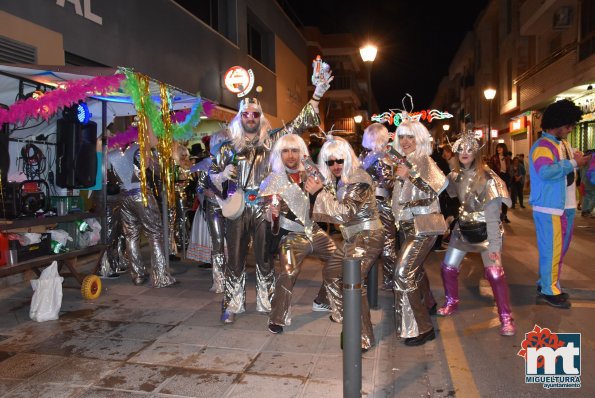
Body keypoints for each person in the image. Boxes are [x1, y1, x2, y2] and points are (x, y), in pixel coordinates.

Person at [210, 65, 333, 324]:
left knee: (265, 257)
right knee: (234, 257)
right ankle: (232, 304)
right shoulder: (227, 146)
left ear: (260, 117)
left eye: (255, 114)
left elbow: (298, 124)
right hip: (237, 204)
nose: (251, 118)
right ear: (240, 117)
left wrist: (317, 94)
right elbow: (209, 177)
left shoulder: (272, 141)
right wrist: (222, 176)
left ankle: (267, 301)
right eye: (246, 114)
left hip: (265, 204)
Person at [305, 136, 383, 352]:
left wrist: (320, 192)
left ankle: (363, 338)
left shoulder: (359, 179)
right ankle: (344, 316)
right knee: (330, 273)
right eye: (330, 162)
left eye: (339, 160)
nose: (335, 166)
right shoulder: (341, 179)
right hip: (352, 237)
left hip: (367, 236)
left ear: (348, 157)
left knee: (354, 285)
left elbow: (344, 213)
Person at [436, 130, 516, 336]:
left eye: (470, 149)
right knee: (447, 267)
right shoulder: (454, 175)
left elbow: (493, 217)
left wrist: (495, 248)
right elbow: (449, 193)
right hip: (463, 229)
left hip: (486, 232)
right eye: (460, 149)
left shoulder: (488, 178)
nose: (464, 152)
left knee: (495, 274)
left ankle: (506, 318)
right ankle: (451, 301)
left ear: (476, 153)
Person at [260, 134, 336, 334]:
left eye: (294, 150)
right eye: (285, 151)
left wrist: (319, 192)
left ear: (302, 153)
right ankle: (277, 317)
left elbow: (330, 205)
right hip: (291, 235)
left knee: (340, 260)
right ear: (279, 154)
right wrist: (271, 213)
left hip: (314, 230)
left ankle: (322, 300)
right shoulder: (273, 180)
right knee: (288, 272)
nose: (290, 155)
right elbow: (266, 212)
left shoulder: (313, 175)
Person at [529, 99, 591, 308]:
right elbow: (546, 171)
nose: (571, 129)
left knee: (559, 249)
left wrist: (575, 158)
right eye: (569, 125)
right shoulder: (542, 146)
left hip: (566, 205)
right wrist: (574, 162)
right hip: (549, 207)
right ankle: (549, 289)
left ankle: (547, 283)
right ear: (558, 124)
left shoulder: (562, 144)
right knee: (552, 249)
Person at [391, 119, 447, 346]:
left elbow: (436, 187)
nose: (405, 141)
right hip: (406, 226)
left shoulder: (423, 160)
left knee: (403, 274)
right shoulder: (406, 161)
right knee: (414, 270)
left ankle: (422, 327)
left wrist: (409, 176)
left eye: (410, 137)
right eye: (402, 137)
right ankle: (428, 303)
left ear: (420, 140)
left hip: (423, 225)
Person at [108, 142, 177, 288]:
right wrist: (156, 155)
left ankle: (137, 275)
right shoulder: (139, 149)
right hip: (141, 193)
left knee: (131, 236)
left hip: (124, 196)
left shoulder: (114, 152)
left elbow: (112, 176)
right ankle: (160, 276)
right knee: (155, 233)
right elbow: (156, 171)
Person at [187, 131, 229, 292]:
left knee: (233, 242)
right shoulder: (207, 164)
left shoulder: (234, 163)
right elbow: (199, 187)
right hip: (214, 207)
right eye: (223, 142)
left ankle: (233, 275)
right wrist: (206, 192)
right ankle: (219, 281)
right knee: (217, 243)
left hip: (232, 209)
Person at [359, 123, 399, 291]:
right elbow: (390, 182)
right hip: (382, 204)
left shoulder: (362, 157)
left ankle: (363, 278)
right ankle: (391, 280)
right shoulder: (386, 156)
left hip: (364, 205)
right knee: (388, 243)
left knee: (366, 242)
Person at [490, 143, 512, 223]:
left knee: (505, 197)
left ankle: (504, 215)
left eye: (500, 148)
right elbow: (491, 169)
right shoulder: (494, 158)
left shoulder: (507, 158)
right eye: (497, 148)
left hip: (506, 177)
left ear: (504, 149)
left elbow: (509, 169)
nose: (498, 149)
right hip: (498, 177)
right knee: (497, 197)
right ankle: (496, 215)